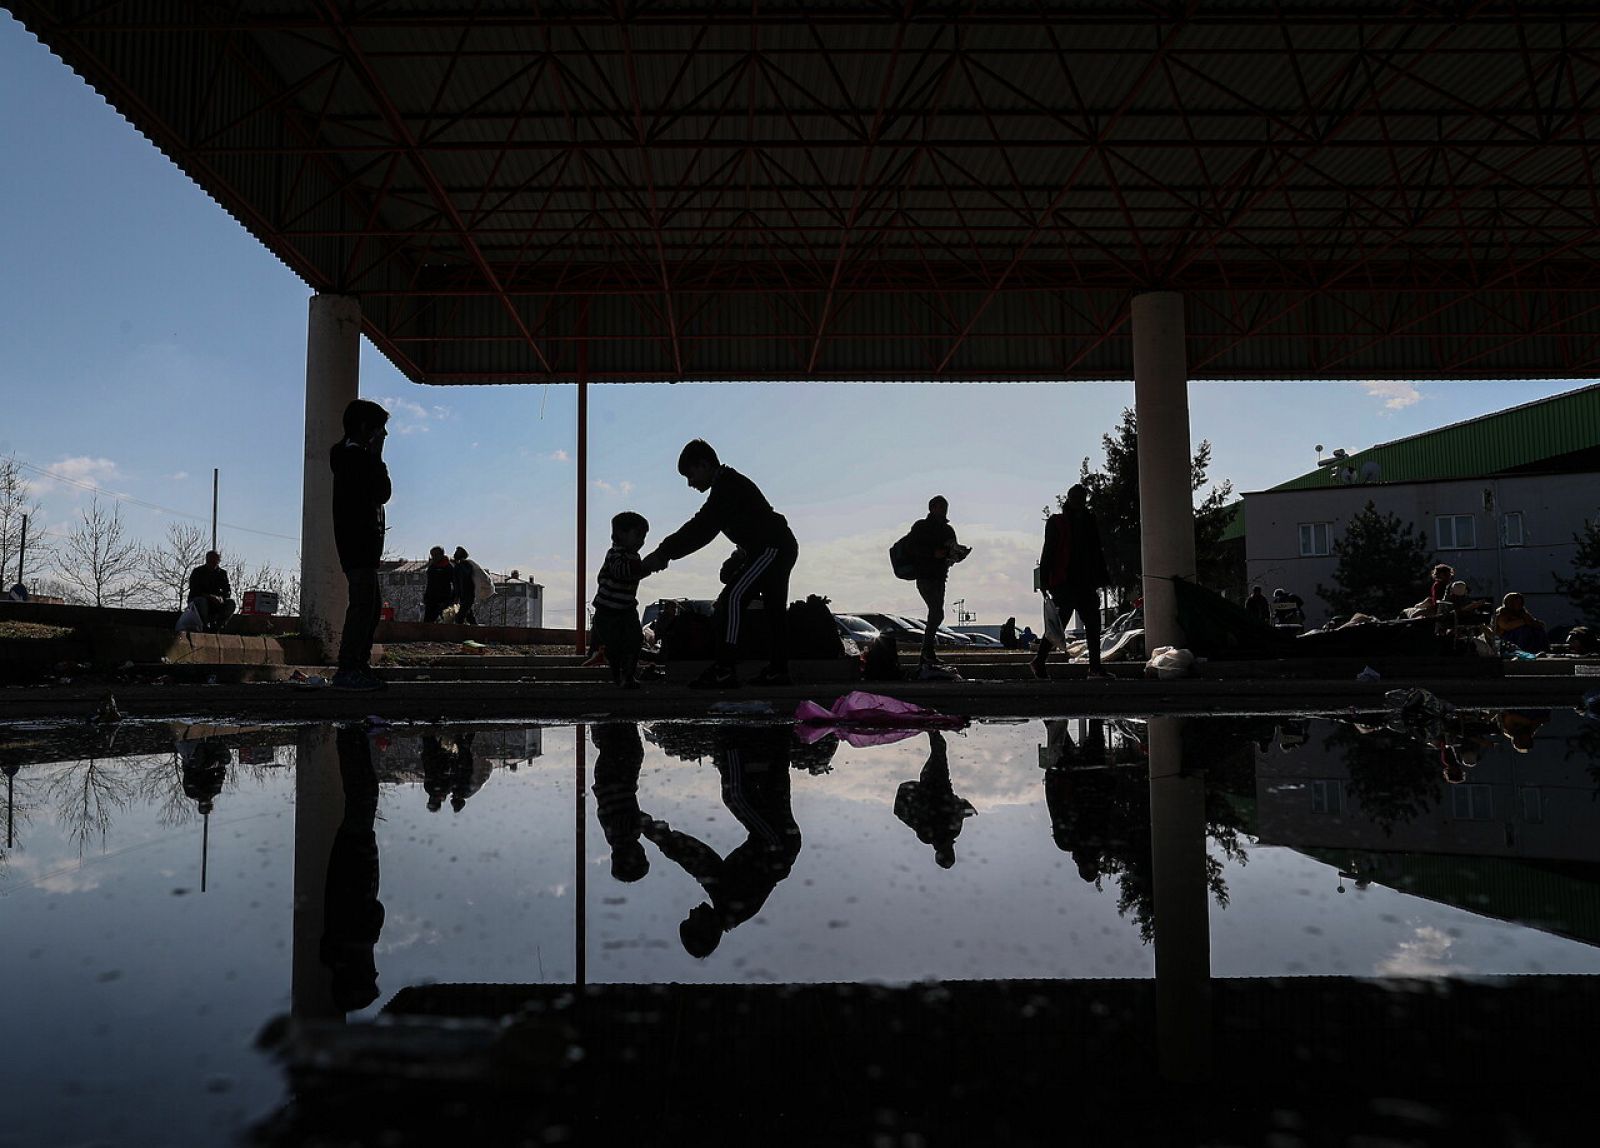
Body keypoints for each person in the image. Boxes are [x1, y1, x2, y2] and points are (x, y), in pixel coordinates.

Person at [640, 440, 799, 689]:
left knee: (733, 599)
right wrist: (739, 558)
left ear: (704, 465)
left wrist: (664, 553)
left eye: (690, 475)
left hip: (772, 549)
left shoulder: (727, 487)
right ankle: (777, 670)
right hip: (771, 548)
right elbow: (741, 526)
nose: (690, 483)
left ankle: (725, 668)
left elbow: (702, 527)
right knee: (773, 610)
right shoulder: (727, 486)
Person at [642, 724, 802, 957]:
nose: (691, 911)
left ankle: (776, 735)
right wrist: (659, 835)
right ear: (705, 929)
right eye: (692, 919)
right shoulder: (729, 902)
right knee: (736, 796)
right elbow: (699, 861)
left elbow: (701, 863)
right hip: (776, 843)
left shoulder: (731, 908)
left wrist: (661, 836)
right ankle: (732, 741)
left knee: (772, 790)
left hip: (781, 844)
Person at [329, 398, 392, 691]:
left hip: (361, 545)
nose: (384, 435)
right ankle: (349, 667)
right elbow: (381, 492)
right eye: (380, 429)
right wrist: (377, 458)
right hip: (358, 544)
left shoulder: (349, 457)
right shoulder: (355, 459)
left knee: (370, 604)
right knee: (362, 604)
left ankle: (358, 664)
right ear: (366, 428)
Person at [1032, 484, 1111, 679]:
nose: (1078, 501)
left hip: (1085, 581)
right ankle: (1039, 661)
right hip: (1065, 581)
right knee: (1059, 625)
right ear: (1069, 498)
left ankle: (1094, 667)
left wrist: (1101, 577)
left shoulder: (1088, 521)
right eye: (1075, 497)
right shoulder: (1057, 522)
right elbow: (1048, 551)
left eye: (1081, 497)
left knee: (1092, 624)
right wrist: (1044, 581)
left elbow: (1096, 550)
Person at [902, 495, 970, 681]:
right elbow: (911, 548)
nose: (943, 510)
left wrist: (957, 554)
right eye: (940, 507)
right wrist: (932, 553)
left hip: (940, 576)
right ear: (932, 508)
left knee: (937, 613)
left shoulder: (948, 530)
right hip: (925, 575)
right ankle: (926, 652)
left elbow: (951, 551)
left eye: (945, 507)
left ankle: (927, 653)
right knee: (936, 612)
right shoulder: (921, 527)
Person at [893, 731, 976, 869]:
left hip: (933, 785)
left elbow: (903, 814)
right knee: (939, 748)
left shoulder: (930, 835)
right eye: (950, 853)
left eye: (947, 853)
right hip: (938, 785)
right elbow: (960, 809)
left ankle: (930, 723)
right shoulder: (945, 833)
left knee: (939, 748)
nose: (949, 850)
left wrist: (914, 792)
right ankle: (931, 725)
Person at [593, 511, 651, 688]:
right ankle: (620, 675)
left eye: (643, 537)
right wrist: (644, 568)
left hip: (626, 607)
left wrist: (643, 569)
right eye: (638, 535)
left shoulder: (634, 557)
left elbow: (634, 573)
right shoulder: (615, 554)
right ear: (620, 534)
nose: (641, 541)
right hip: (608, 609)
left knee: (634, 640)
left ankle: (628, 675)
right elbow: (622, 571)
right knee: (614, 645)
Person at [187, 550, 236, 632]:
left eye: (215, 561)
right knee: (202, 602)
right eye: (211, 560)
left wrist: (221, 598)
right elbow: (194, 590)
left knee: (231, 603)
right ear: (207, 560)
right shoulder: (198, 572)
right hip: (199, 600)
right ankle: (204, 626)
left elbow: (227, 590)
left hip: (216, 602)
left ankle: (218, 626)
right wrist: (209, 596)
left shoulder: (222, 573)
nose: (213, 563)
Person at [421, 546, 455, 623]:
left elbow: (455, 584)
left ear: (441, 555)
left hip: (443, 600)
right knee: (427, 622)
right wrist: (426, 596)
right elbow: (429, 584)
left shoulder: (448, 567)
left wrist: (450, 599)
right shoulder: (432, 567)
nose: (433, 557)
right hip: (431, 599)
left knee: (445, 621)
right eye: (432, 555)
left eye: (435, 555)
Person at [451, 547, 481, 626]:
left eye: (457, 552)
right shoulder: (459, 566)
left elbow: (462, 580)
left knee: (460, 616)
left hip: (467, 594)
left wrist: (457, 595)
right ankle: (475, 630)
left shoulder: (464, 565)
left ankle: (458, 634)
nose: (454, 554)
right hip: (463, 595)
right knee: (469, 615)